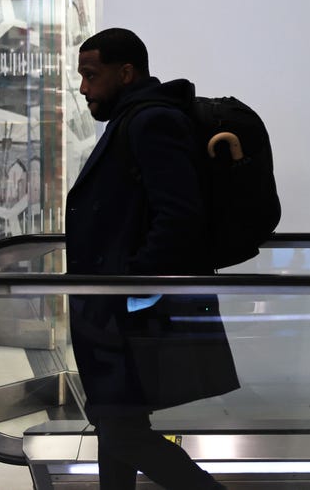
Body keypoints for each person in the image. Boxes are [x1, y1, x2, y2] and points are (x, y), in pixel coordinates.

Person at [68, 28, 237, 488]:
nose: (83, 88)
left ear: (125, 73)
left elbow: (179, 216)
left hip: (127, 317)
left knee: (121, 431)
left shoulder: (150, 122)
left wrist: (129, 288)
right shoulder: (134, 120)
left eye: (91, 75)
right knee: (117, 428)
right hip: (116, 313)